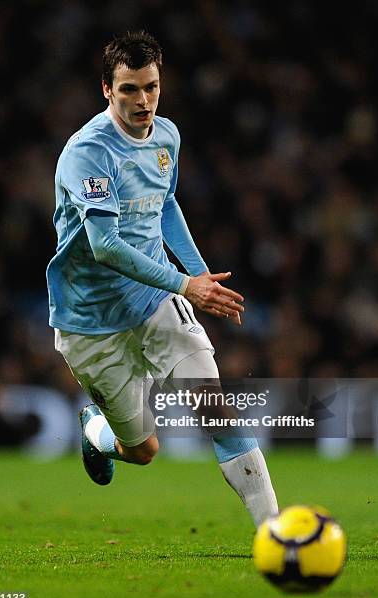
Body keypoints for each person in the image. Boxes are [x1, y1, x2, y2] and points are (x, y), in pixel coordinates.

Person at [46, 31, 278, 526]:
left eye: (150, 86)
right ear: (106, 90)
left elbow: (166, 203)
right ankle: (98, 435)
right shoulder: (89, 153)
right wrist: (185, 284)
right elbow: (105, 246)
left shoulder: (167, 136)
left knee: (214, 407)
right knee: (145, 450)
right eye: (129, 89)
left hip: (153, 299)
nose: (143, 100)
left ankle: (274, 532)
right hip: (91, 322)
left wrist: (198, 274)